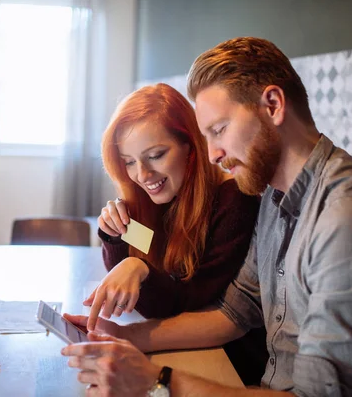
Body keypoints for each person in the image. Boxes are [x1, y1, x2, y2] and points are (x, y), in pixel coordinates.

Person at [61, 37, 352, 397]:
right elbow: (233, 313)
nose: (211, 155)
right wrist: (122, 337)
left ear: (273, 105)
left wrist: (156, 381)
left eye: (219, 130)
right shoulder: (275, 198)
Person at [85, 83, 260, 334]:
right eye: (129, 162)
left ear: (190, 146)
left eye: (155, 155)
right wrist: (115, 235)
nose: (142, 175)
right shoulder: (153, 197)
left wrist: (140, 269)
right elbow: (125, 287)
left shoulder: (233, 200)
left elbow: (185, 302)